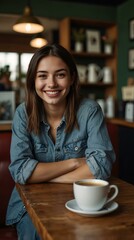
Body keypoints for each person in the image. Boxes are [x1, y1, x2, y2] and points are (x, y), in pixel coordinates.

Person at [6, 43, 115, 239]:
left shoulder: (90, 111)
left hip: (80, 203)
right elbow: (21, 170)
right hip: (29, 206)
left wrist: (42, 175)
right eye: (42, 75)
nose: (52, 83)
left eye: (60, 74)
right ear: (33, 81)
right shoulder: (23, 113)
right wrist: (74, 163)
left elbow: (100, 167)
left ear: (72, 78)